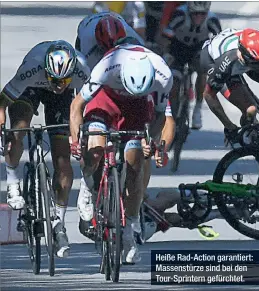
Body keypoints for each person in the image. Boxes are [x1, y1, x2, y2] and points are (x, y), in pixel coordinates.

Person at [69, 43, 174, 264]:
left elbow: (160, 118)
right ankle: (88, 186)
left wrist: (151, 141)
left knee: (136, 165)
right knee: (95, 149)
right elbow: (76, 106)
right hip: (104, 102)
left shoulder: (163, 75)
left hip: (137, 108)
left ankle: (131, 227)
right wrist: (76, 139)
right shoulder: (107, 67)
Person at [0, 40, 91, 258]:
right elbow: (2, 102)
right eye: (55, 79)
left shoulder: (82, 69)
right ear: (47, 70)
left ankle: (58, 223)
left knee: (62, 159)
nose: (59, 84)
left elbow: (89, 105)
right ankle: (13, 180)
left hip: (63, 102)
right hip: (30, 89)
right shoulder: (33, 66)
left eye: (64, 80)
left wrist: (79, 136)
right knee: (19, 130)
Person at [200, 27, 259, 139]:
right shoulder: (226, 62)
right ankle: (247, 134)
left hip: (247, 61)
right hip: (213, 59)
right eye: (256, 63)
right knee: (250, 110)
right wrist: (230, 127)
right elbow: (209, 95)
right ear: (242, 55)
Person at [160, 1, 221, 129]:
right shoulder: (180, 15)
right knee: (174, 82)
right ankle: (171, 111)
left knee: (203, 70)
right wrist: (165, 54)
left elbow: (219, 42)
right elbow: (165, 36)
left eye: (202, 14)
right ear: (189, 11)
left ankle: (197, 109)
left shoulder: (212, 20)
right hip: (178, 49)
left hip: (198, 49)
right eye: (195, 14)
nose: (198, 17)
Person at [75, 12, 145, 70]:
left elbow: (145, 56)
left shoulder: (130, 35)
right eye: (105, 49)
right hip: (86, 25)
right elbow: (86, 71)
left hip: (113, 17)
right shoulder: (87, 39)